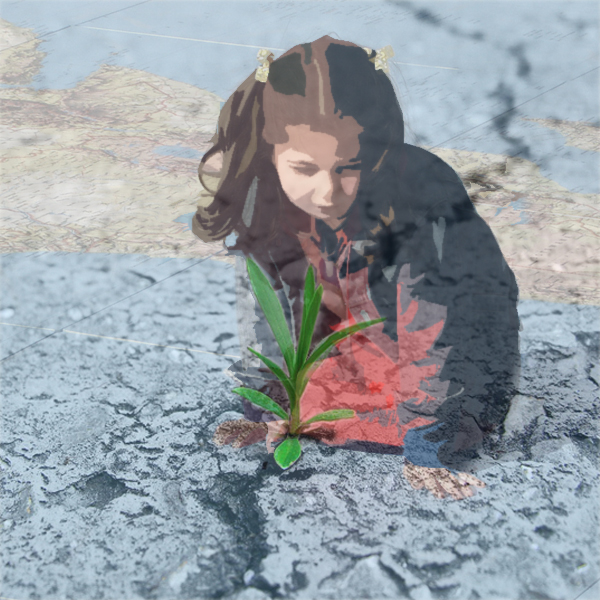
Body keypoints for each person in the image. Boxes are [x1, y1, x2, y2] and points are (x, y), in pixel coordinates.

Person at [192, 36, 521, 500]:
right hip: (351, 332)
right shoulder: (262, 203)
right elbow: (268, 315)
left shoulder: (420, 199)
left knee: (419, 412)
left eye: (349, 166)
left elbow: (441, 329)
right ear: (270, 151)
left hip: (447, 342)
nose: (328, 192)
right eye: (305, 168)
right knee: (301, 409)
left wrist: (428, 446)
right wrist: (265, 406)